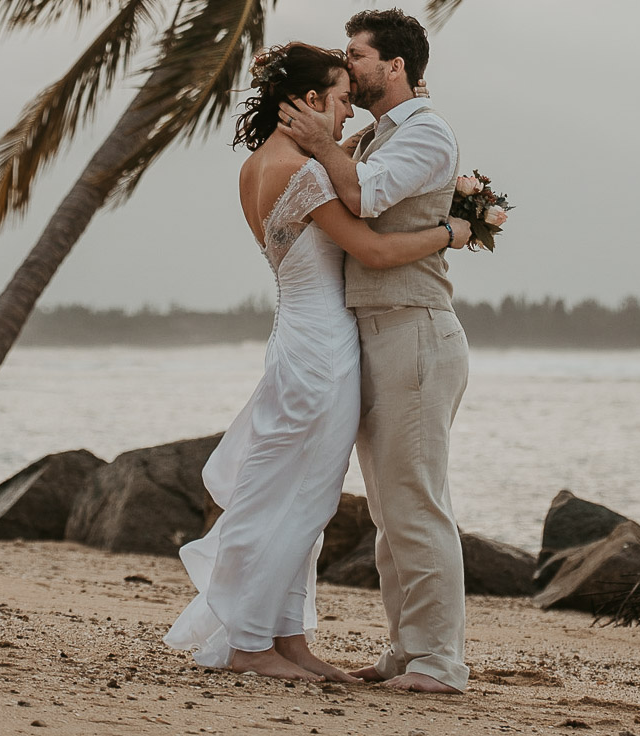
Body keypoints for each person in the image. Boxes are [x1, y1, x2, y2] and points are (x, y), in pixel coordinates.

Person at [164, 41, 470, 682]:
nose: (346, 119)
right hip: (323, 345)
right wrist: (454, 232)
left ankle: (287, 638)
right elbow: (374, 250)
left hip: (299, 333)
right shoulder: (303, 174)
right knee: (298, 498)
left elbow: (351, 165)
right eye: (337, 102)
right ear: (307, 102)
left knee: (299, 492)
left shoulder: (258, 165)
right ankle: (252, 642)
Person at [281, 7, 488, 696]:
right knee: (387, 508)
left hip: (415, 330)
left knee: (416, 501)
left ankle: (440, 663)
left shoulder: (426, 132)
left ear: (396, 65)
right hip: (376, 331)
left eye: (358, 56)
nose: (350, 67)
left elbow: (365, 198)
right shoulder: (377, 135)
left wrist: (321, 140)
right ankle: (406, 650)